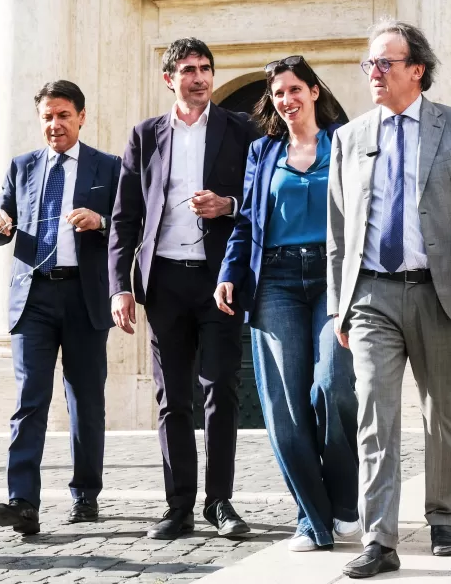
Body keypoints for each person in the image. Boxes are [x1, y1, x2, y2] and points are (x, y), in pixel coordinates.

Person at [326, 20, 451, 577]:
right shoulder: (348, 138)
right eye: (370, 64)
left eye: (386, 63)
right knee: (374, 416)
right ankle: (378, 540)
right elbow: (338, 232)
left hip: (440, 292)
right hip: (371, 295)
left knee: (443, 413)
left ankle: (444, 516)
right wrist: (338, 306)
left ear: (417, 70)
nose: (374, 73)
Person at [108, 38, 260, 540]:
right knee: (172, 397)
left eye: (206, 68)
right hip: (165, 281)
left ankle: (220, 503)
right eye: (188, 69)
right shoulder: (145, 135)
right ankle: (178, 507)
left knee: (221, 390)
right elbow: (124, 217)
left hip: (220, 280)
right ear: (169, 78)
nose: (199, 77)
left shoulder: (241, 129)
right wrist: (120, 287)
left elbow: (263, 196)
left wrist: (229, 204)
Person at [213, 56, 359, 552]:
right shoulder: (262, 151)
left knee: (333, 385)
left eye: (295, 89)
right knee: (284, 406)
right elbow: (247, 221)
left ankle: (345, 502)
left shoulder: (344, 142)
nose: (287, 99)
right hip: (274, 278)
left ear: (314, 92)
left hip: (332, 276)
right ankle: (312, 520)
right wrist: (229, 273)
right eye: (278, 93)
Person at [0, 80, 121, 535]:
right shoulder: (21, 166)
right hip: (33, 297)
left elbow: (128, 226)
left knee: (86, 401)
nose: (55, 124)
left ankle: (86, 494)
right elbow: (0, 222)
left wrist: (100, 220)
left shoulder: (108, 166)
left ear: (81, 116)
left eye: (63, 115)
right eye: (47, 117)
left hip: (84, 296)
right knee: (30, 400)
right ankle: (23, 501)